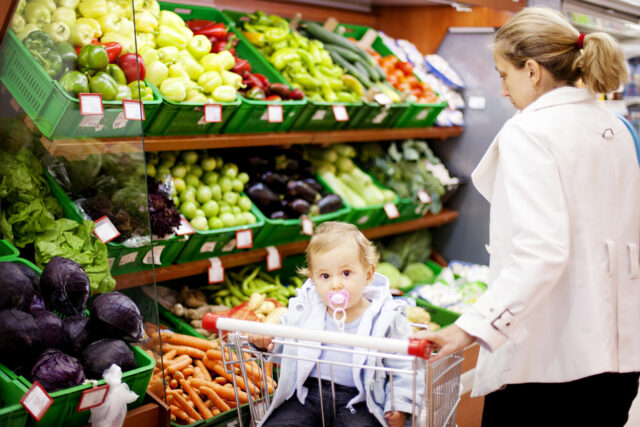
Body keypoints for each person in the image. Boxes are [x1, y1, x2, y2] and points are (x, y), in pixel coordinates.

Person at [413, 7, 640, 427]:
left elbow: (542, 251)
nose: (502, 89)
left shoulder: (529, 132)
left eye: (504, 74)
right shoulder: (620, 128)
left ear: (532, 70)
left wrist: (467, 330)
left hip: (548, 367)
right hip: (620, 359)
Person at [249, 221, 418, 427]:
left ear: (368, 275)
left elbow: (404, 366)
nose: (336, 284)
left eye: (346, 273)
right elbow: (285, 342)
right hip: (307, 395)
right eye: (325, 276)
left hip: (359, 400)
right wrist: (266, 341)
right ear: (312, 279)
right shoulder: (305, 310)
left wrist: (399, 405)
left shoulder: (385, 318)